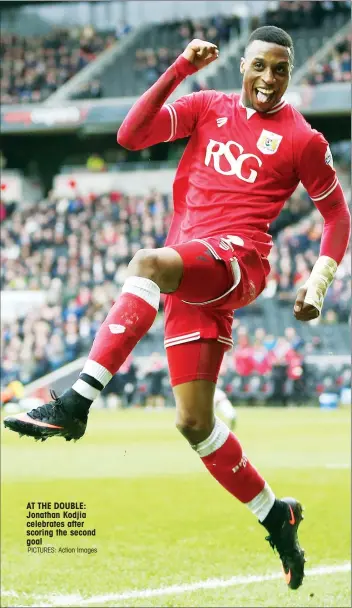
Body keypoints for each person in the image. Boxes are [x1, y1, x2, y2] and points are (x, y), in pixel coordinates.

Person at [4, 26, 350, 590]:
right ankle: (276, 516)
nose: (268, 79)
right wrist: (179, 69)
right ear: (242, 66)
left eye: (280, 70)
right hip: (192, 271)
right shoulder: (206, 106)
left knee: (145, 263)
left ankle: (75, 402)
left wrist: (318, 283)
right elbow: (129, 134)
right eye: (260, 66)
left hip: (237, 262)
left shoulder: (303, 140)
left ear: (291, 74)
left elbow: (337, 216)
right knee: (194, 422)